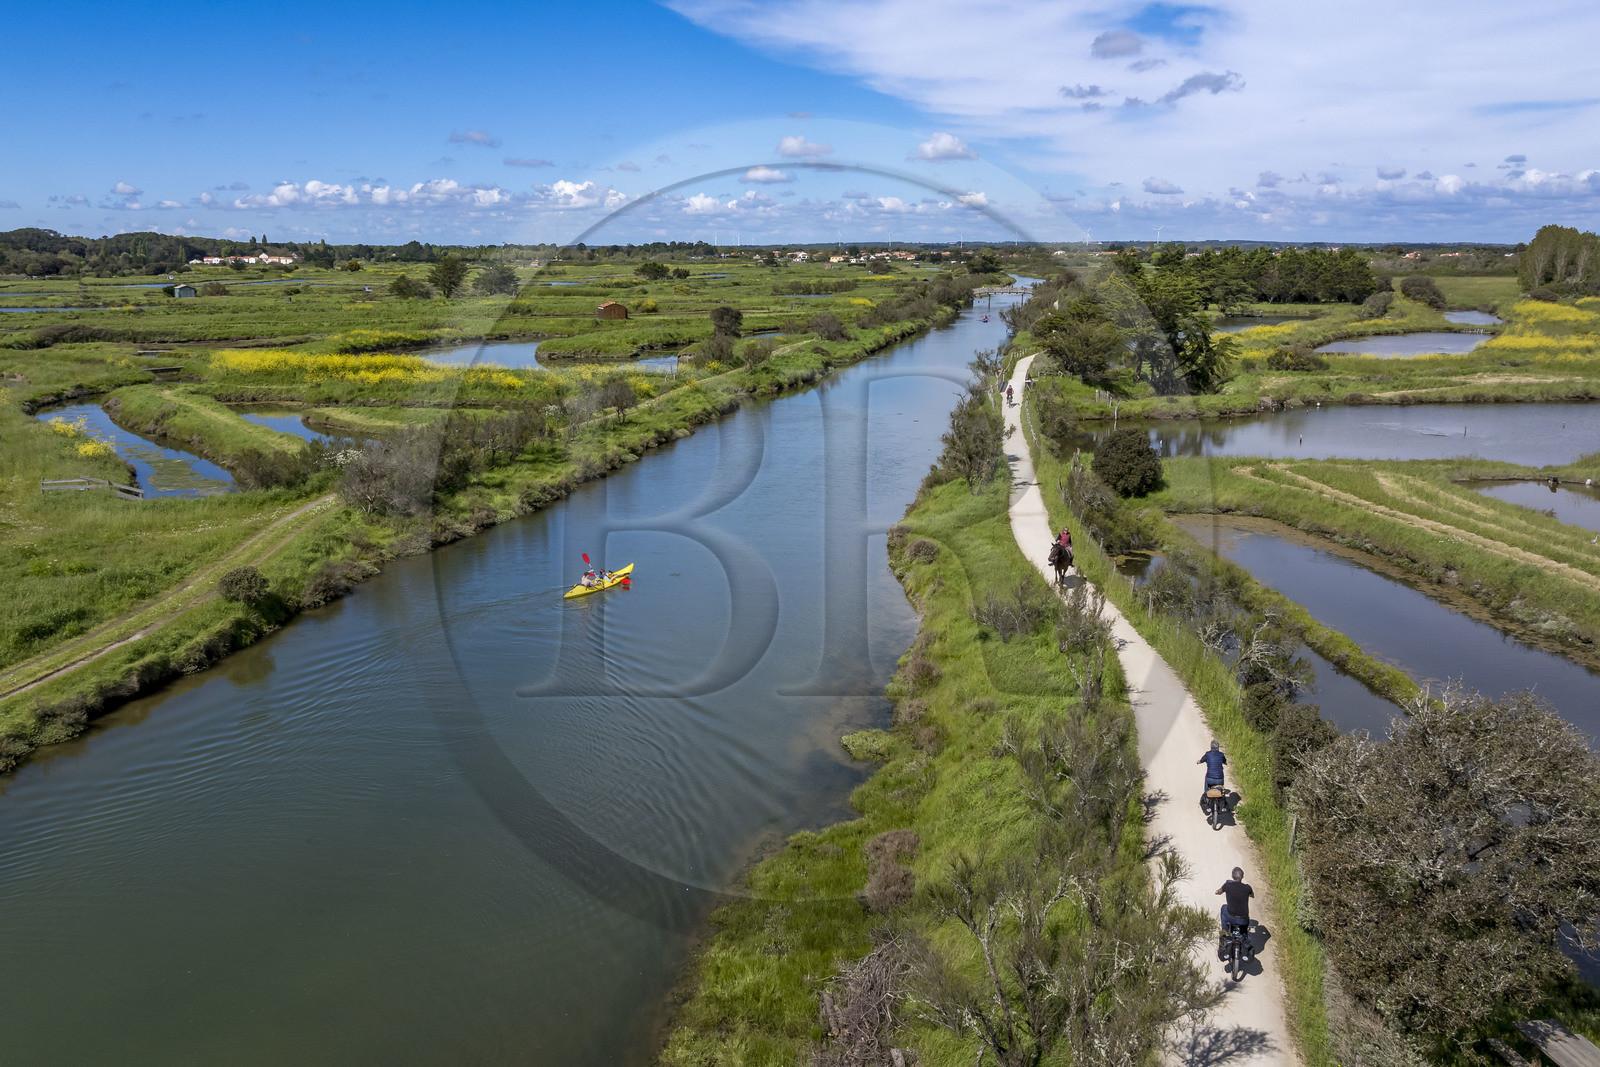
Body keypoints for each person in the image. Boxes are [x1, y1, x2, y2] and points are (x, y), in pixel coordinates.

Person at [1215, 867, 1254, 932]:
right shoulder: (1247, 888)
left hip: (1231, 917)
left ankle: (1225, 930)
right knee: (1244, 932)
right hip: (1243, 920)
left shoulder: (1227, 885)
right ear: (1242, 877)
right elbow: (1252, 895)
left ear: (1232, 876)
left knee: (1224, 907)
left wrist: (1216, 892)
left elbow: (1219, 892)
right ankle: (1244, 936)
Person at [1197, 739, 1226, 805]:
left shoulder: (1208, 754)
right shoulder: (1221, 754)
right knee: (1220, 788)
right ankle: (1220, 794)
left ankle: (1206, 791)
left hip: (1210, 779)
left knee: (1207, 778)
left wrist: (1199, 761)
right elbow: (1224, 760)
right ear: (1218, 747)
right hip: (1219, 780)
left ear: (1211, 747)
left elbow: (1202, 760)